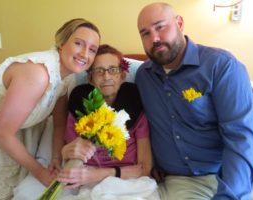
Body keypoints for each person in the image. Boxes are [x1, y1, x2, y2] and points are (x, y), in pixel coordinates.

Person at [0, 18, 100, 200]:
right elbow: (2, 133)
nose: (84, 54)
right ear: (62, 42)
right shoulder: (38, 74)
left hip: (6, 130)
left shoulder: (66, 77)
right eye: (79, 43)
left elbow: (59, 124)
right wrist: (40, 172)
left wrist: (56, 158)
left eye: (92, 49)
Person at [135, 2, 253, 200]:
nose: (155, 38)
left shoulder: (221, 66)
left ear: (179, 23)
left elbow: (241, 137)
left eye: (160, 27)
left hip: (225, 173)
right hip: (180, 181)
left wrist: (230, 195)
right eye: (145, 33)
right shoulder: (144, 76)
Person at [13, 44, 157, 200]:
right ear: (90, 78)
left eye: (113, 70)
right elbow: (69, 156)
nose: (106, 76)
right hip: (83, 178)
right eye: (99, 71)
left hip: (125, 181)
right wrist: (66, 152)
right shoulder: (79, 109)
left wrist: (98, 174)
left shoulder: (136, 111)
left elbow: (145, 168)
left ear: (122, 76)